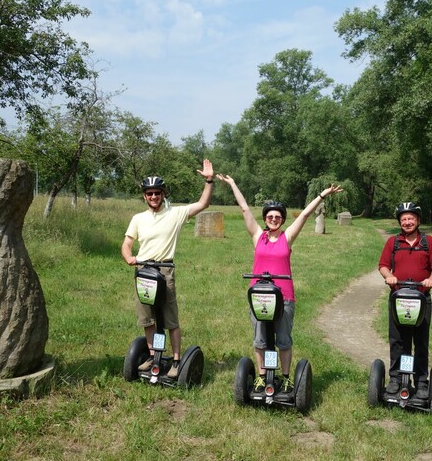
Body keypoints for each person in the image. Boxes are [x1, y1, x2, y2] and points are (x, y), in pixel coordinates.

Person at [218, 174, 343, 392]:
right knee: (260, 339)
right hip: (259, 297)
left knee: (283, 339)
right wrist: (232, 184)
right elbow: (245, 209)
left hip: (283, 296)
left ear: (282, 220)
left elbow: (304, 215)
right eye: (270, 216)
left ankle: (285, 377)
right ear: (265, 219)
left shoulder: (287, 237)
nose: (273, 219)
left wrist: (323, 195)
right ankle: (261, 375)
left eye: (277, 217)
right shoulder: (258, 236)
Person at [121, 159, 215, 378]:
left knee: (169, 318)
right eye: (149, 193)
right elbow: (126, 243)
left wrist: (209, 180)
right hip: (143, 271)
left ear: (163, 194)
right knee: (147, 318)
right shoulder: (138, 218)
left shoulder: (175, 213)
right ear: (144, 196)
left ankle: (174, 359)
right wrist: (129, 257)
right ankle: (153, 355)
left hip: (164, 270)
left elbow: (203, 204)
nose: (153, 197)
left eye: (157, 193)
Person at [378, 202, 432, 400]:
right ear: (400, 222)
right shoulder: (393, 242)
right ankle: (396, 379)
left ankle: (421, 381)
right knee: (397, 340)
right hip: (398, 298)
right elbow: (382, 265)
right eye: (403, 219)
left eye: (410, 218)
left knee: (420, 341)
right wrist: (388, 276)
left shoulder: (428, 242)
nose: (407, 222)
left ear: (418, 220)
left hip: (421, 298)